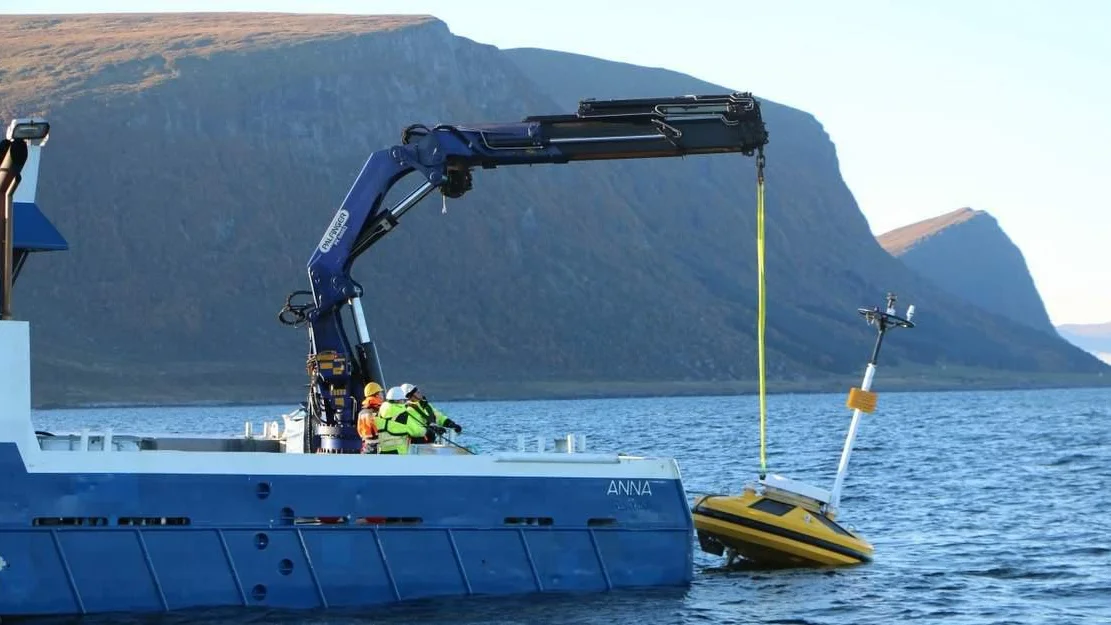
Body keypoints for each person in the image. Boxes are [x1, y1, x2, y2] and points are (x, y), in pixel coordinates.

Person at [374, 386, 432, 455]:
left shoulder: (379, 413)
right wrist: (428, 431)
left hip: (382, 451)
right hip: (398, 453)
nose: (404, 402)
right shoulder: (403, 415)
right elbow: (416, 431)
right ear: (397, 400)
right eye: (403, 400)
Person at [356, 381, 383, 454]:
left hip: (366, 447)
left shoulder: (362, 412)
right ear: (377, 395)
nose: (382, 395)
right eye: (380, 393)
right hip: (379, 447)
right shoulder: (379, 411)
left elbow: (359, 431)